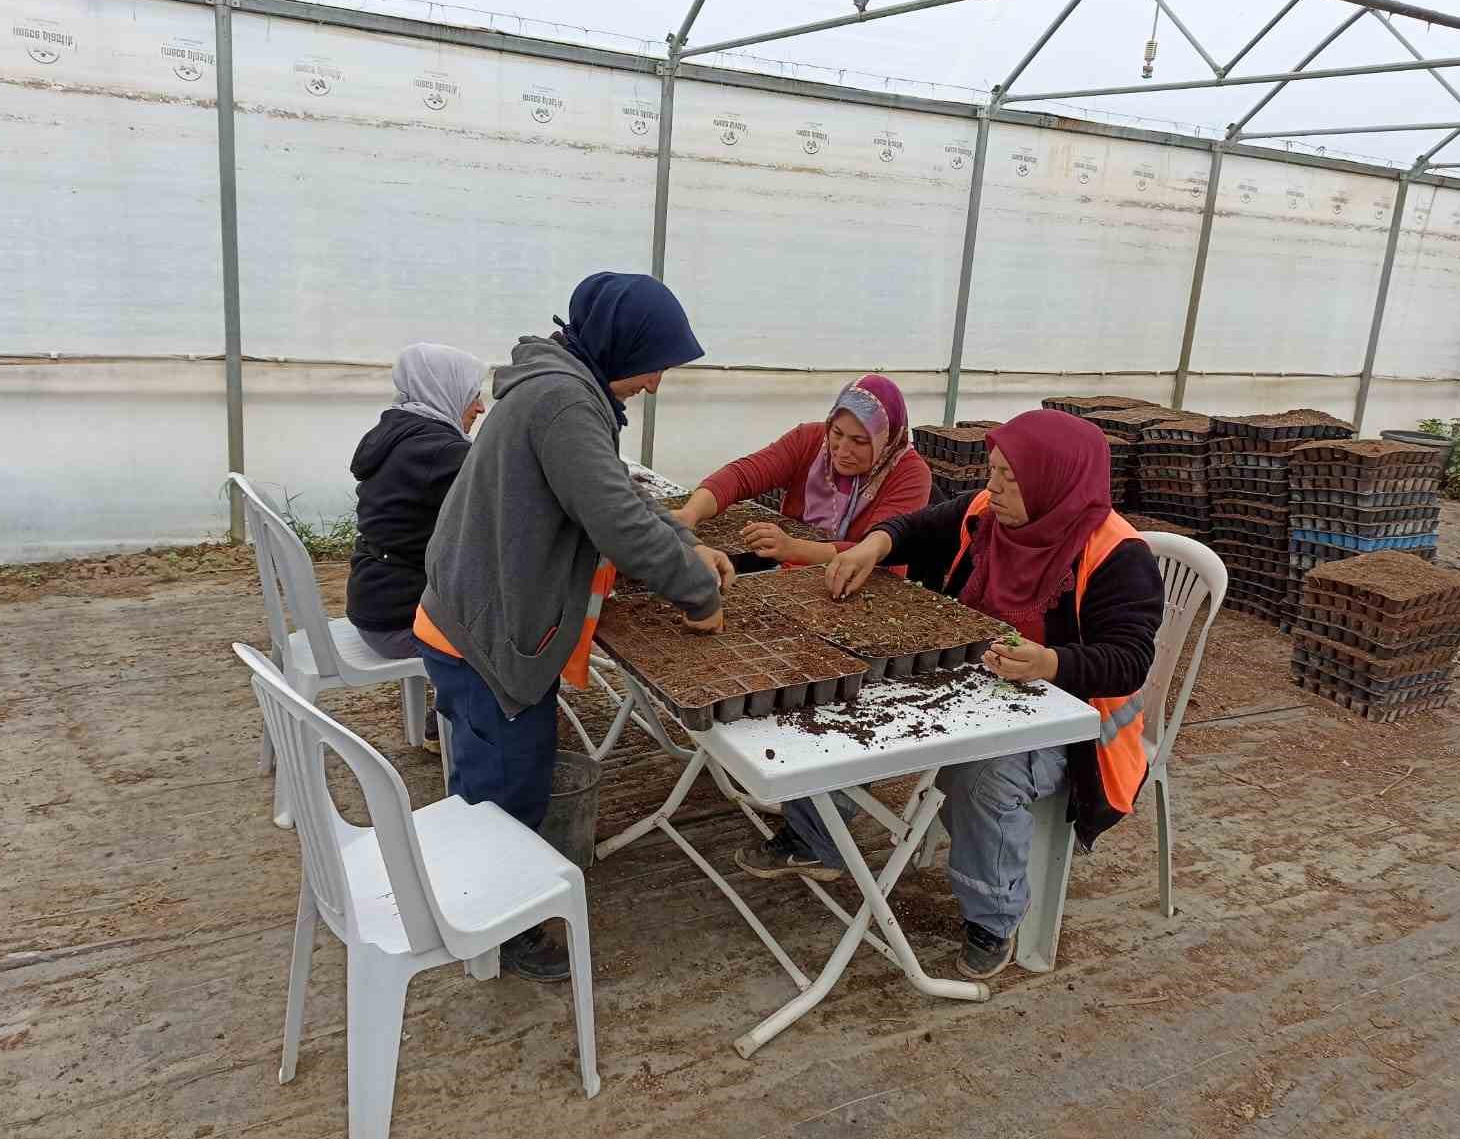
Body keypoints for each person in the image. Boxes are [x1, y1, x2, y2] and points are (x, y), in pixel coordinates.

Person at [735, 409, 1163, 982]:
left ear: (1053, 480)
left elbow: (1130, 661)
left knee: (986, 777)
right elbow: (916, 527)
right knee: (841, 699)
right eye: (994, 471)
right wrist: (868, 548)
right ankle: (816, 838)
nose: (993, 488)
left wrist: (1049, 662)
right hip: (976, 681)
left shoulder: (1116, 556)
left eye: (1011, 478)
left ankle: (994, 916)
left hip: (1070, 724)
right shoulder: (986, 513)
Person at [413, 272, 735, 983]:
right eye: (656, 363)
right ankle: (496, 931)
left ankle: (484, 905)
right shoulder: (563, 402)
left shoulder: (561, 387)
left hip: (471, 614)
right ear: (624, 347)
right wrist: (697, 596)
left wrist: (685, 541)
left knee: (493, 775)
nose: (655, 383)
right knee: (505, 791)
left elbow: (611, 489)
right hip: (485, 634)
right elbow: (615, 522)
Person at [346, 343, 488, 749]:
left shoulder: (398, 432)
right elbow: (503, 507)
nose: (479, 408)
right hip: (400, 624)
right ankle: (466, 728)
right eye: (472, 394)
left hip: (374, 601)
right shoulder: (442, 452)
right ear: (445, 389)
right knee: (513, 626)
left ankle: (447, 714)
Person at [673, 375, 931, 567]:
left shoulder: (910, 474)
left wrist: (793, 548)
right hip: (796, 571)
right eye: (837, 433)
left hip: (871, 583)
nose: (842, 449)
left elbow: (873, 550)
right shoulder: (810, 440)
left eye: (860, 441)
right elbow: (742, 475)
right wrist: (690, 513)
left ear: (885, 440)